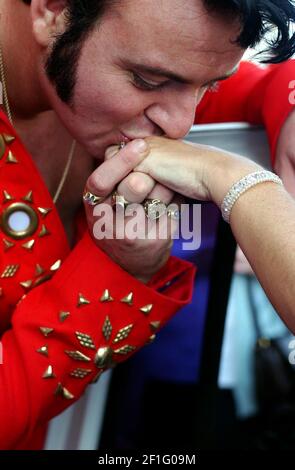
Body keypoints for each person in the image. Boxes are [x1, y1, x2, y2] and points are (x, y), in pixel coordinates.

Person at [0, 0, 294, 451]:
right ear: (50, 10)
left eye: (208, 87)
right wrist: (119, 273)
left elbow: (264, 86)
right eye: (149, 81)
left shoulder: (124, 62)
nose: (181, 125)